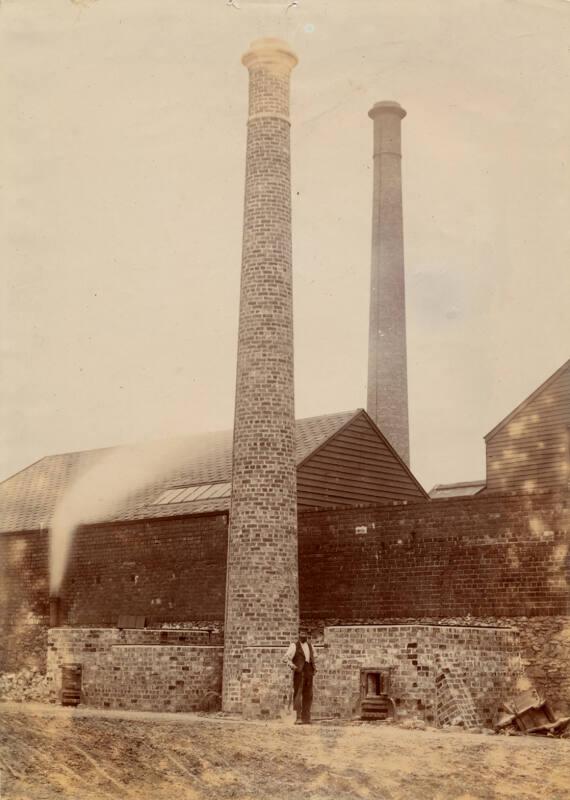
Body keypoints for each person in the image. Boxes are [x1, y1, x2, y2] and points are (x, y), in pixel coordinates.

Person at [285, 628, 316, 724]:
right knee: (298, 695)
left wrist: (314, 667)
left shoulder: (310, 646)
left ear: (307, 634)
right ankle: (298, 717)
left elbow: (313, 657)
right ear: (298, 634)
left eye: (305, 633)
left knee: (309, 695)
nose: (303, 635)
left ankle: (306, 717)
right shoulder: (294, 646)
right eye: (302, 633)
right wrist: (291, 665)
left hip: (309, 672)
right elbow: (286, 658)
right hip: (299, 672)